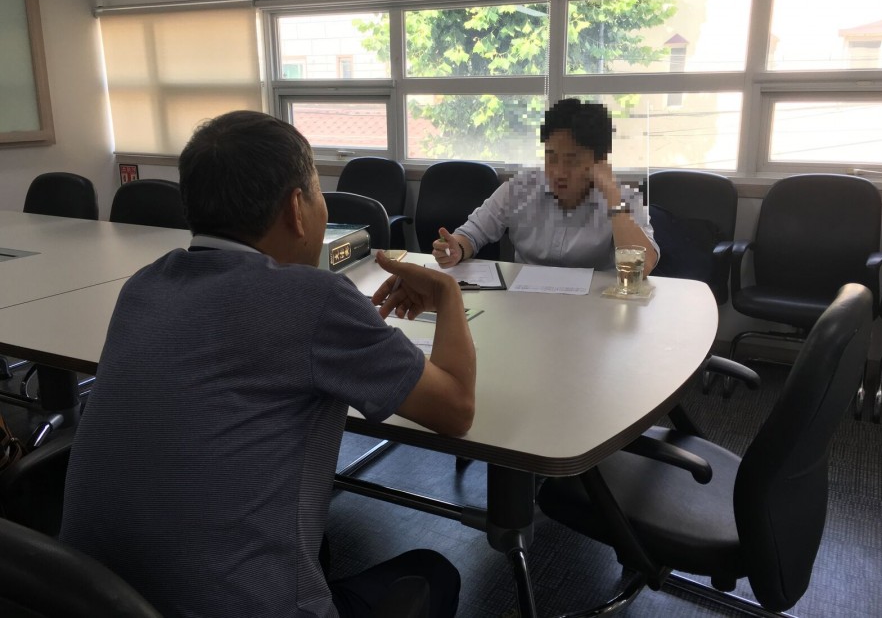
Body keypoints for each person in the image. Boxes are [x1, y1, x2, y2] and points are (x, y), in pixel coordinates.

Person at [59, 110, 475, 618]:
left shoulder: (143, 286)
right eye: (318, 192)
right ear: (297, 209)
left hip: (85, 599)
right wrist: (448, 294)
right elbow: (456, 409)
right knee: (435, 572)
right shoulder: (315, 298)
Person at [431, 98, 658, 273]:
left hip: (595, 309)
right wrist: (456, 248)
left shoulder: (624, 199)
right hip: (526, 303)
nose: (559, 172)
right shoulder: (520, 189)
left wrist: (612, 196)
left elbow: (644, 266)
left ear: (599, 160)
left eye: (572, 160)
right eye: (551, 157)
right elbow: (472, 234)